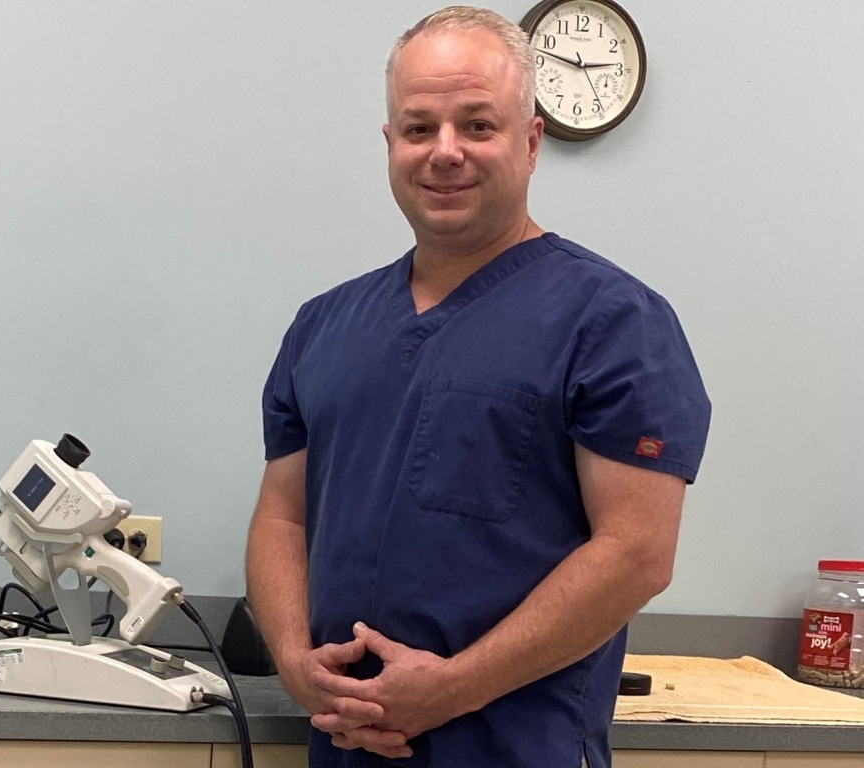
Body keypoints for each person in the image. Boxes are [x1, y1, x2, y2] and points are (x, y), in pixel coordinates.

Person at [246, 6, 711, 768]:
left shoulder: (613, 322)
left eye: (477, 125)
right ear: (390, 144)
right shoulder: (323, 325)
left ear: (530, 142)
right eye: (419, 128)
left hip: (514, 748)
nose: (445, 152)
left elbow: (635, 552)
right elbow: (282, 518)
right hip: (343, 748)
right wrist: (296, 662)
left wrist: (454, 687)